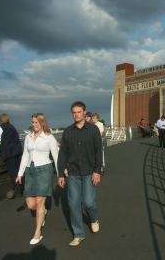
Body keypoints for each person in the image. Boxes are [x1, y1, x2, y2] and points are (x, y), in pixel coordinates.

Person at [57, 101, 103, 247]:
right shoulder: (68, 132)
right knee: (73, 204)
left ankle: (94, 219)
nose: (76, 114)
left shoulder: (93, 130)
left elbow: (98, 151)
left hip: (89, 171)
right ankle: (78, 234)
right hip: (74, 173)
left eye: (78, 111)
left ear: (84, 112)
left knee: (88, 203)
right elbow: (62, 154)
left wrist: (97, 171)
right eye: (74, 112)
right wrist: (60, 174)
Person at [15, 113, 59, 245]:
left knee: (39, 203)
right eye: (32, 122)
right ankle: (43, 211)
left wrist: (60, 174)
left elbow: (55, 156)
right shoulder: (28, 137)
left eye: (36, 122)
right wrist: (20, 173)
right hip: (30, 170)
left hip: (44, 169)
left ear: (43, 123)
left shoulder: (49, 137)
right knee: (31, 205)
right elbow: (25, 155)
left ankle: (37, 233)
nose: (33, 125)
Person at [0, 113, 23, 198]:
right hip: (17, 151)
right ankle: (21, 189)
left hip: (9, 153)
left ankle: (17, 191)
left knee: (13, 172)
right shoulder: (12, 127)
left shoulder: (0, 127)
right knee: (18, 171)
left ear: (0, 120)